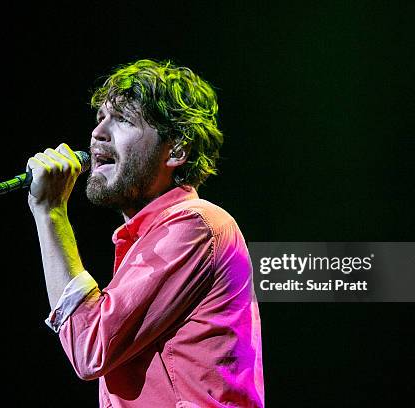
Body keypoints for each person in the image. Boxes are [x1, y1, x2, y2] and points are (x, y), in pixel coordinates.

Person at [26, 59, 264, 407]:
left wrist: (50, 212)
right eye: (100, 118)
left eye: (122, 119)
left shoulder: (196, 225)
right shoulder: (149, 237)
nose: (98, 133)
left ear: (177, 150)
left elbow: (90, 345)